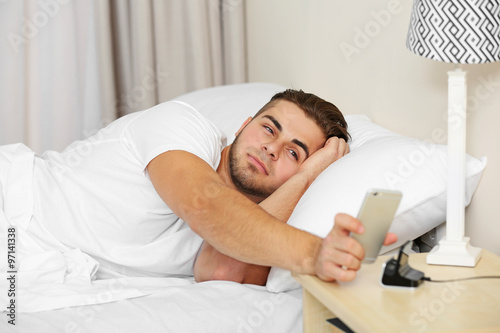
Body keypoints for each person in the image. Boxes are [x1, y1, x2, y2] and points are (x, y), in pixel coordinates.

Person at [0, 89, 396, 287]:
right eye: (268, 129)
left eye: (294, 153)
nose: (271, 149)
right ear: (242, 125)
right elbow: (204, 206)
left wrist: (310, 176)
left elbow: (222, 271)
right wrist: (312, 253)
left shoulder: (244, 227)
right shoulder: (183, 128)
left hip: (27, 262)